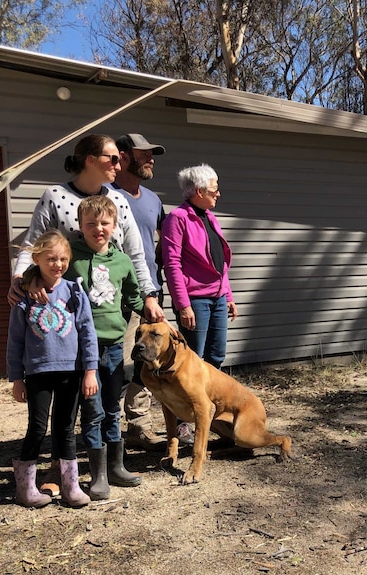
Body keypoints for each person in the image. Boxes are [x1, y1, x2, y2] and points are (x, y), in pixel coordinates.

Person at [7, 133, 165, 494]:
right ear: (89, 159)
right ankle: (61, 469)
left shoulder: (119, 201)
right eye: (111, 158)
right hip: (65, 321)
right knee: (70, 396)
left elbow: (135, 256)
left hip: (112, 317)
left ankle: (107, 468)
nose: (118, 163)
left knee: (108, 394)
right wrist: (23, 277)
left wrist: (150, 296)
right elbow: (35, 245)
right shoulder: (56, 197)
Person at [7, 230, 97, 508]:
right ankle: (25, 489)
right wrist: (16, 379)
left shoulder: (74, 291)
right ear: (37, 258)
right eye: (51, 259)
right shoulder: (24, 297)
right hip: (37, 373)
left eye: (63, 259)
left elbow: (87, 332)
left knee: (66, 428)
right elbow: (15, 340)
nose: (57, 264)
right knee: (36, 427)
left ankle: (71, 487)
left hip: (71, 372)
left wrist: (90, 370)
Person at [69, 195, 148, 501]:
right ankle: (98, 474)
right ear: (81, 226)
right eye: (91, 223)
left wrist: (151, 311)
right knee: (92, 409)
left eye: (104, 223)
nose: (98, 228)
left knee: (113, 407)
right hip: (82, 348)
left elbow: (133, 295)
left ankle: (116, 466)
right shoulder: (71, 257)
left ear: (115, 225)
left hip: (115, 344)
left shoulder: (122, 261)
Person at [161, 164, 238, 443]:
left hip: (217, 297)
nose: (219, 192)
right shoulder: (177, 219)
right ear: (199, 191)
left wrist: (227, 295)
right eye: (214, 187)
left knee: (215, 357)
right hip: (195, 300)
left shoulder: (209, 217)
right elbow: (172, 264)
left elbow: (221, 264)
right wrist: (183, 305)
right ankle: (184, 422)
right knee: (189, 363)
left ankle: (210, 414)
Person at [108, 133, 167, 451]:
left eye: (151, 154)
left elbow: (161, 243)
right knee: (117, 364)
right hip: (115, 296)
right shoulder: (105, 195)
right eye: (144, 154)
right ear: (123, 157)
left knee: (146, 362)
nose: (151, 159)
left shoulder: (153, 200)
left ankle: (138, 426)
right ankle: (107, 429)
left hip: (151, 293)